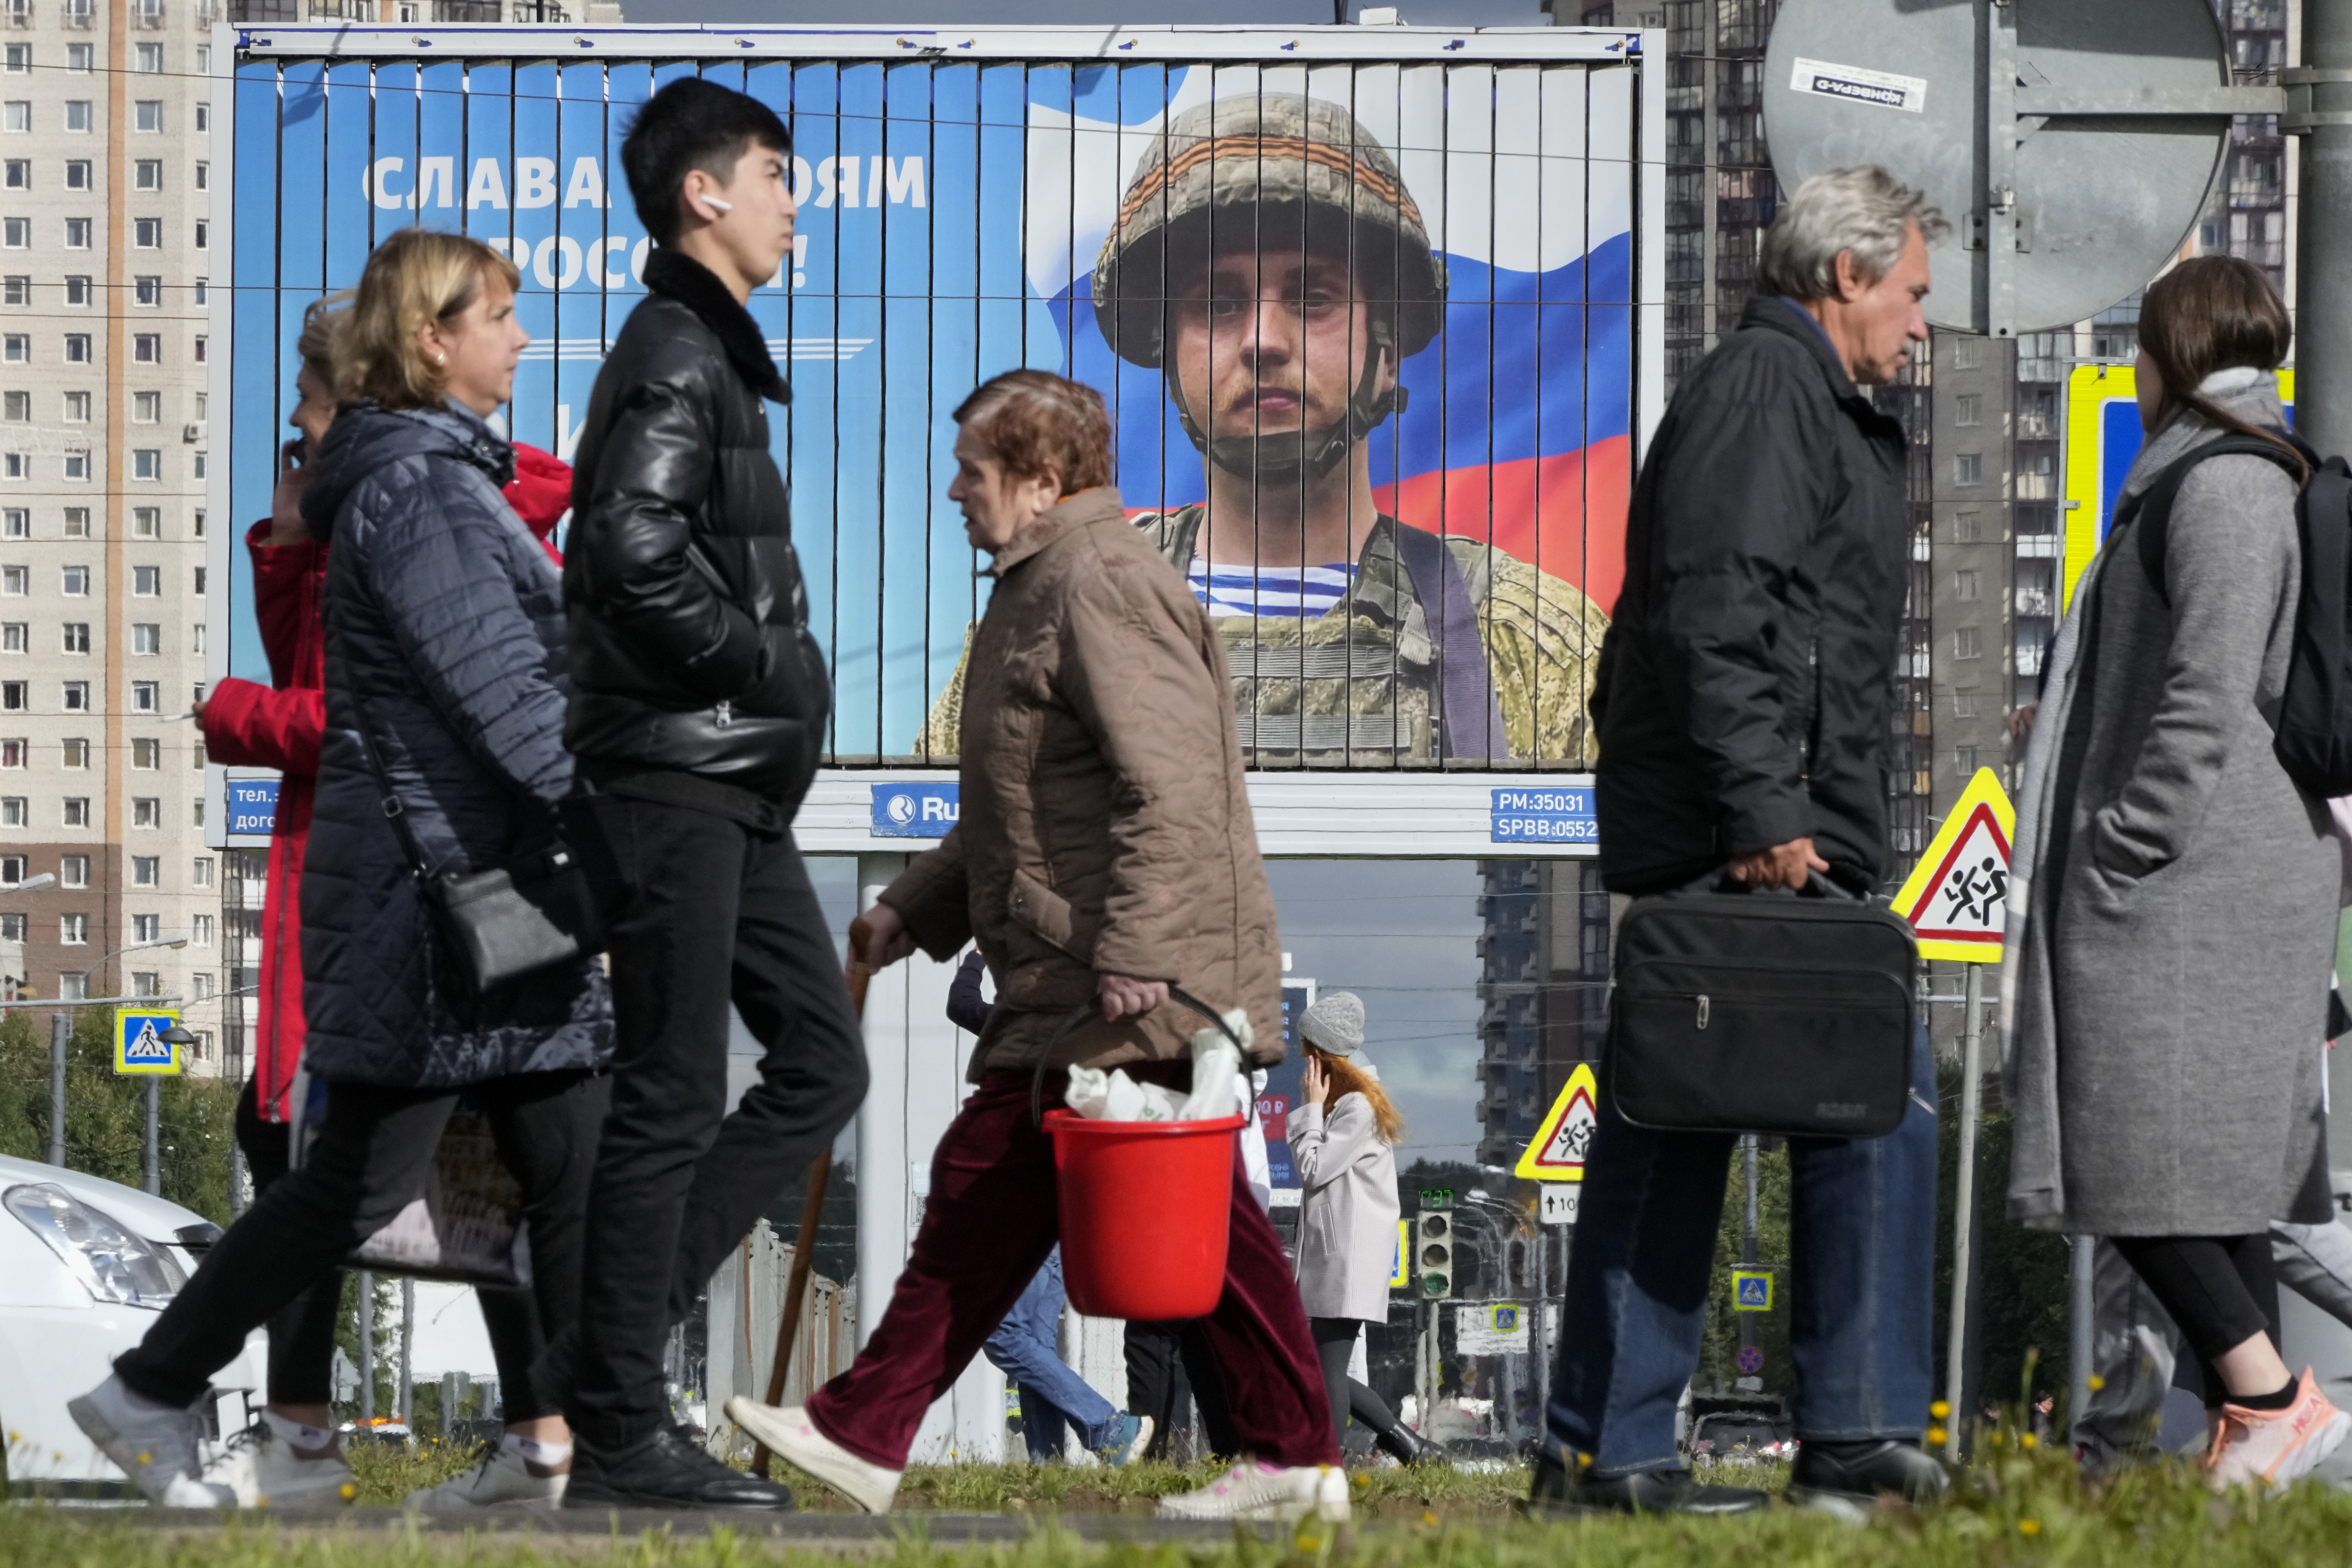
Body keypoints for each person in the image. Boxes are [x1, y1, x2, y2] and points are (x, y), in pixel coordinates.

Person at [724, 368, 1345, 1525]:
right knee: (1037, 1202)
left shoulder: (1101, 582)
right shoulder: (1041, 585)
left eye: (973, 468)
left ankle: (872, 1428)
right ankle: (1291, 1458)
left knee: (1077, 1202)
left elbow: (1167, 786)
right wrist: (912, 904)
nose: (954, 491)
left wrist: (1141, 950)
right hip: (1078, 970)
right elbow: (1018, 801)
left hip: (1121, 976)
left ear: (1041, 479)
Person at [68, 227, 614, 1510]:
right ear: (433, 341)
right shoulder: (415, 492)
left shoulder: (439, 483)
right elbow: (465, 696)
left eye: (308, 411)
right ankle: (167, 1390)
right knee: (360, 1185)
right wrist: (610, 811)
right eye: (502, 317)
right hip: (442, 901)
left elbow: (392, 697)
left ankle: (575, 1442)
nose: (523, 338)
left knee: (559, 1168)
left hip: (456, 890)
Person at [1531, 167, 1947, 1519]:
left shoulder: (1805, 398)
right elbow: (1720, 608)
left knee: (1856, 1105)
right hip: (1743, 830)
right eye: (1913, 293)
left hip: (1780, 822)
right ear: (1845, 276)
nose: (1921, 324)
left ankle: (1827, 1427)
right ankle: (1617, 1448)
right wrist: (1767, 810)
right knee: (1689, 1122)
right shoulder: (1767, 394)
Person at [922, 93, 1603, 767]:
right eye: (1216, 304)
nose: (1262, 341)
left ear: (1387, 354)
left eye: (1313, 298)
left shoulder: (1522, 639)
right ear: (1170, 354)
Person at [555, 76, 868, 1510]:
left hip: (728, 782)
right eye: (775, 172)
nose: (793, 199)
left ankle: (600, 1360)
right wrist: (752, 666)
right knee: (672, 1094)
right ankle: (617, 1421)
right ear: (705, 193)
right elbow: (625, 545)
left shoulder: (707, 353)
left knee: (821, 1056)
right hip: (681, 773)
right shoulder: (678, 345)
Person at [2004, 254, 2346, 1490]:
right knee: (2204, 1167)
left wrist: (2123, 840)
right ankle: (2251, 1442)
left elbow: (2205, 698)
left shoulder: (2227, 484)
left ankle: (2268, 1400)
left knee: (2124, 1146)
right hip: (2202, 873)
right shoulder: (2209, 473)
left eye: (2140, 352)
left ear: (2167, 359)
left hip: (2197, 876)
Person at [1288, 991, 1437, 1468]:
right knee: (1319, 1364)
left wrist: (1309, 1108)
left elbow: (1313, 1169)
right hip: (1340, 1253)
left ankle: (1326, 1467)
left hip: (1344, 1256)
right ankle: (1407, 1445)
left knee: (1325, 1367)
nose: (1304, 1065)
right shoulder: (1352, 1104)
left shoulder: (1355, 1107)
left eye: (1308, 1053)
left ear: (1325, 1056)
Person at [982, 1247, 1152, 1467]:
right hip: (1051, 1244)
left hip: (1026, 1240)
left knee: (1003, 1334)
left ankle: (1110, 1431)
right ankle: (1047, 1464)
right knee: (1034, 1347)